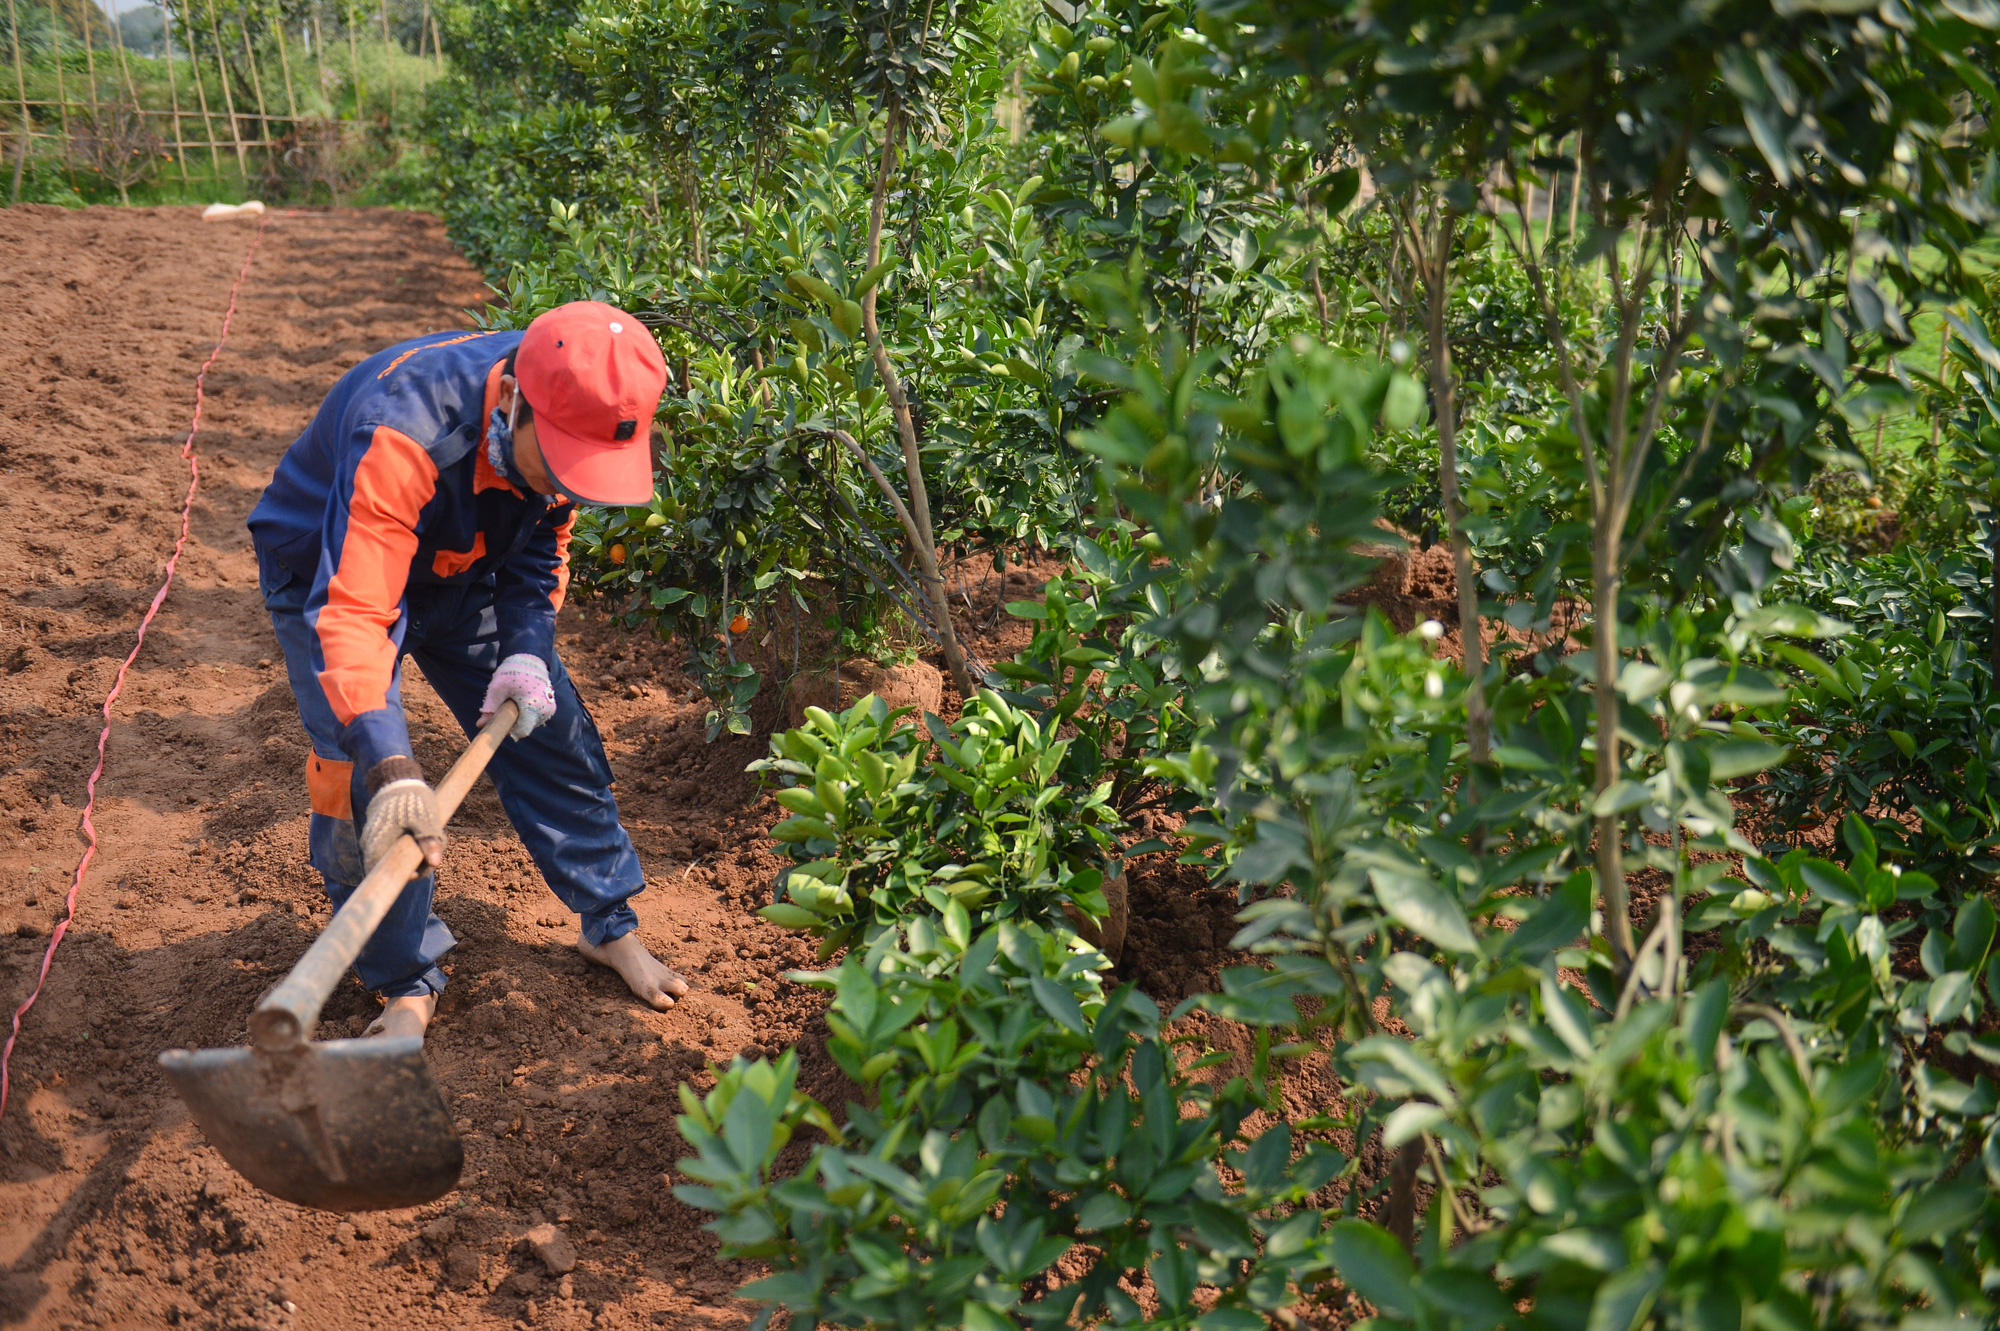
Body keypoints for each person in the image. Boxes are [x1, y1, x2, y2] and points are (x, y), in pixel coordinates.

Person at [246, 301, 688, 1040]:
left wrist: (524, 644)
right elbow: (357, 613)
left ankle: (606, 922)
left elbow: (544, 539)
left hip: (464, 562)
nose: (571, 486)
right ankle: (405, 982)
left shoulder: (569, 403)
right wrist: (390, 763)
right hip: (330, 575)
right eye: (561, 465)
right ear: (512, 402)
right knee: (361, 786)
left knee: (550, 726)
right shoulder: (405, 431)